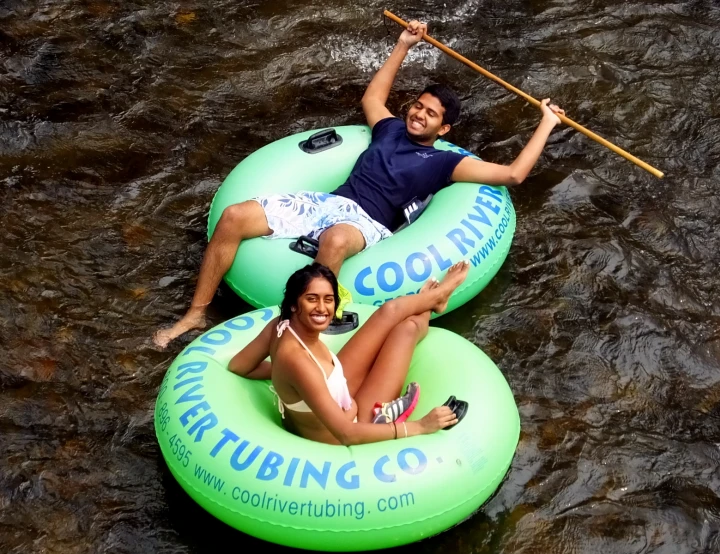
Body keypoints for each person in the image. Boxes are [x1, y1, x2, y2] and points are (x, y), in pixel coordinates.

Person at [154, 19, 564, 348]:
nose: (419, 114)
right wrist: (403, 44)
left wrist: (546, 123)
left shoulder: (445, 163)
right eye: (418, 106)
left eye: (430, 114)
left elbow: (514, 174)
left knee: (334, 240)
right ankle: (195, 313)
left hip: (367, 223)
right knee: (233, 216)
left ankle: (297, 336)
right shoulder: (388, 129)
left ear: (445, 127)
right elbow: (373, 97)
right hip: (326, 202)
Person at [227, 260, 470, 445]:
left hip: (333, 391)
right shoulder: (299, 362)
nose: (322, 308)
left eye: (328, 299)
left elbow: (239, 366)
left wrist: (288, 378)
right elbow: (346, 433)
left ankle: (435, 298)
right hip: (347, 425)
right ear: (293, 303)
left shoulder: (280, 326)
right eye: (312, 299)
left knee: (388, 312)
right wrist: (420, 426)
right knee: (407, 330)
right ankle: (433, 304)